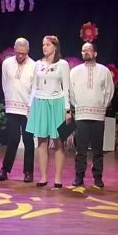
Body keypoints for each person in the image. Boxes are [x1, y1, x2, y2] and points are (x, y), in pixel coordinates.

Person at [25, 35, 71, 189]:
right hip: (40, 102)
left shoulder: (62, 64)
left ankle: (58, 178)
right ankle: (43, 177)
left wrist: (67, 110)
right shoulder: (38, 64)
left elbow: (66, 88)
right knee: (41, 141)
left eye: (48, 45)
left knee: (59, 142)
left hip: (57, 103)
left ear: (55, 47)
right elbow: (34, 87)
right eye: (43, 44)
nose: (44, 47)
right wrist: (30, 106)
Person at [68, 42, 114, 189]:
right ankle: (79, 176)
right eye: (83, 50)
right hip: (81, 114)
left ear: (95, 53)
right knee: (80, 149)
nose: (86, 53)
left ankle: (98, 177)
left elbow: (109, 90)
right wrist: (78, 106)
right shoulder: (74, 72)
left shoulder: (104, 71)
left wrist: (102, 106)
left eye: (88, 50)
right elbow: (71, 92)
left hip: (98, 115)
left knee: (98, 149)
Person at [0, 37, 35, 183]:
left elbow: (35, 88)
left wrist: (30, 106)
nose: (20, 56)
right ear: (14, 49)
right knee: (13, 138)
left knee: (28, 140)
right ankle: (5, 169)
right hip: (12, 107)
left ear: (28, 51)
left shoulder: (34, 66)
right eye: (18, 53)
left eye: (23, 53)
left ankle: (28, 172)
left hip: (28, 108)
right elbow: (4, 83)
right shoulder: (7, 63)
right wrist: (9, 100)